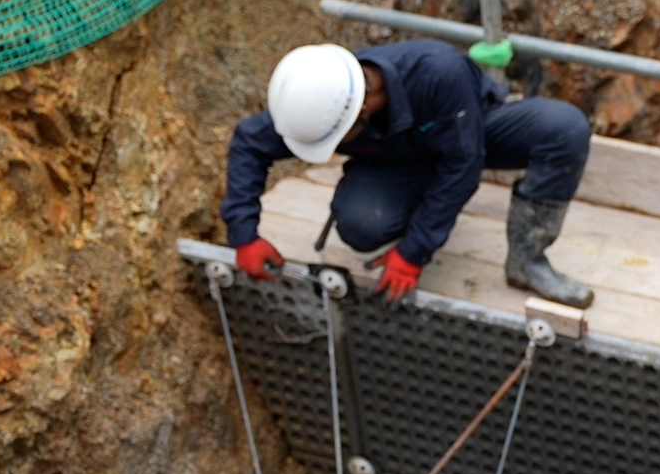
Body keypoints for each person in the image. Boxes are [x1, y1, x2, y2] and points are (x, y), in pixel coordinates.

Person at [222, 40, 595, 307]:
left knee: (564, 129)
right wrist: (244, 235)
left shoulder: (438, 72)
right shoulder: (317, 96)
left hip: (471, 131)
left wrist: (413, 253)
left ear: (362, 109)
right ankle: (418, 203)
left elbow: (463, 167)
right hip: (395, 159)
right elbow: (249, 142)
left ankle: (527, 263)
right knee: (362, 226)